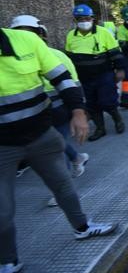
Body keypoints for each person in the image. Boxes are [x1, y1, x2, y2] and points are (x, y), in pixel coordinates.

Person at [0, 26, 116, 273]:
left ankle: (82, 228)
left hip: (42, 135)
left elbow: (62, 78)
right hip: (3, 147)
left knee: (63, 186)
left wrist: (78, 111)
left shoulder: (25, 40)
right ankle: (8, 262)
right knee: (2, 212)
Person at [10, 16, 89, 187]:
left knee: (56, 150)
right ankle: (77, 158)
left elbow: (73, 84)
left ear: (41, 35)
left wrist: (79, 111)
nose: (26, 39)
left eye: (30, 34)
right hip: (34, 114)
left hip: (60, 110)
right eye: (20, 34)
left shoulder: (56, 55)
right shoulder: (10, 60)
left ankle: (64, 184)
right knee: (55, 143)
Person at [65, 4, 126, 140]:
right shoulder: (71, 36)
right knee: (91, 104)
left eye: (87, 18)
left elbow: (115, 52)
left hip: (104, 74)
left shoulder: (103, 33)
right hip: (84, 77)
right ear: (75, 20)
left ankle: (118, 120)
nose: (84, 22)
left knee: (107, 101)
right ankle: (100, 128)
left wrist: (120, 69)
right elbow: (68, 58)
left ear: (92, 18)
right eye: (80, 19)